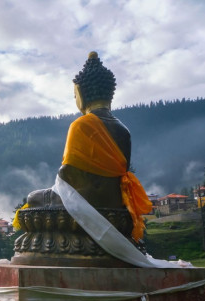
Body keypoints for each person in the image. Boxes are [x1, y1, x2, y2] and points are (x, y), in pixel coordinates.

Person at [19, 51, 152, 242]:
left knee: (33, 199)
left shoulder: (81, 125)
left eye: (75, 95)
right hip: (115, 206)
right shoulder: (123, 130)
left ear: (81, 93)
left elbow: (68, 174)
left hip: (84, 201)